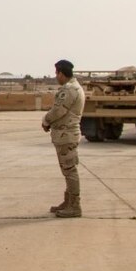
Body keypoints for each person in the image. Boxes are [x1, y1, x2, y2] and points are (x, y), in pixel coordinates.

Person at [43, 59, 86, 218]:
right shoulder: (75, 87)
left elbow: (58, 111)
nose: (56, 76)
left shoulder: (69, 90)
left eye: (57, 73)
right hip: (66, 134)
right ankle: (68, 202)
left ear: (61, 73)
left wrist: (46, 120)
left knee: (69, 170)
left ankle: (75, 205)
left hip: (66, 135)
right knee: (67, 169)